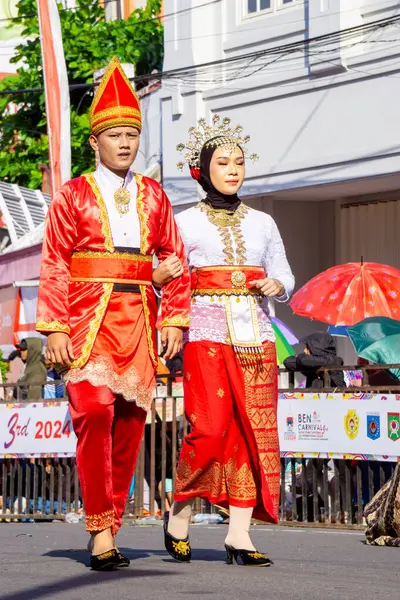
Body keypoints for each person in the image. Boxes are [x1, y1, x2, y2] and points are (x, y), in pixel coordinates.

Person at [36, 57, 190, 571]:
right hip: (86, 322)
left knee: (129, 424)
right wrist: (54, 327)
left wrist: (174, 318)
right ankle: (99, 530)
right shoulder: (72, 195)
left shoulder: (154, 195)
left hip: (141, 322)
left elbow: (176, 259)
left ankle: (111, 526)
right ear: (95, 141)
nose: (125, 142)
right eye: (115, 134)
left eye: (132, 133)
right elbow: (55, 260)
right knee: (94, 414)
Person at [163, 115, 294, 566]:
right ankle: (179, 510)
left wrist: (278, 286)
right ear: (202, 169)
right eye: (223, 162)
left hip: (257, 338)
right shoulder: (182, 223)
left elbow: (284, 273)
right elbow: (168, 280)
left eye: (239, 162)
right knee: (211, 429)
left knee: (252, 433)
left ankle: (240, 535)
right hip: (205, 334)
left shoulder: (263, 223)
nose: (234, 169)